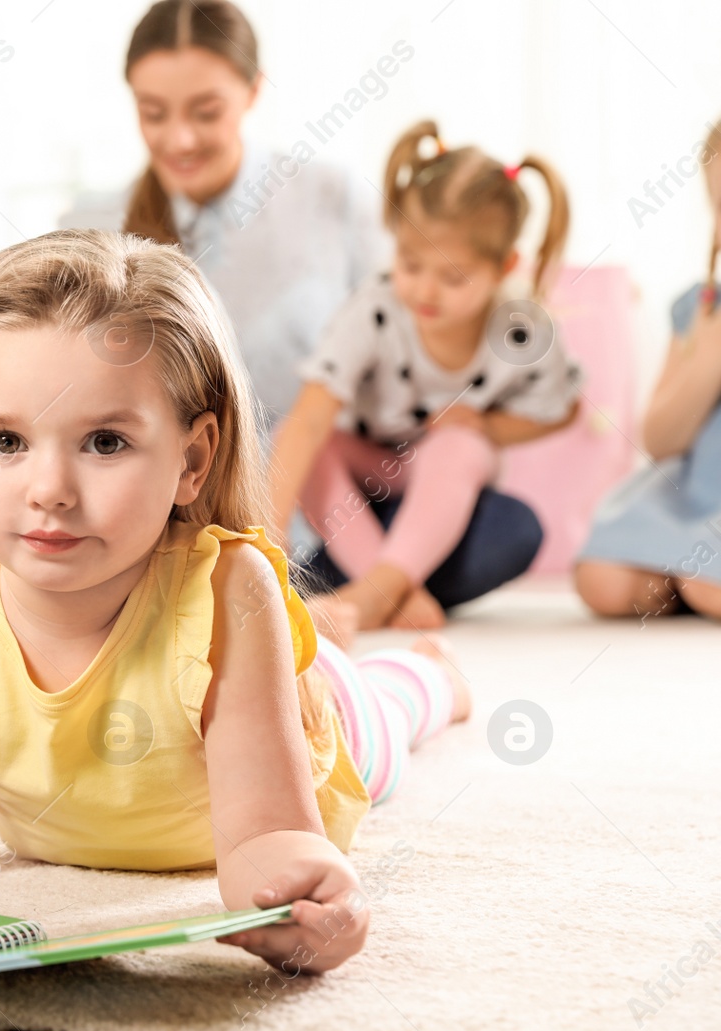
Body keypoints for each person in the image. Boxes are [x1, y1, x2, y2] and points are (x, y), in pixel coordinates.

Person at [0, 231, 470, 976]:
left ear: (193, 461)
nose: (50, 491)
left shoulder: (230, 591)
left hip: (314, 721)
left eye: (104, 442)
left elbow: (265, 833)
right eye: (4, 441)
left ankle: (432, 675)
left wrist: (300, 896)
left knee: (383, 710)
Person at [62, 0, 545, 609]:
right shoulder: (94, 228)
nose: (179, 138)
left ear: (253, 91)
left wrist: (470, 418)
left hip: (338, 499)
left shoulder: (330, 193)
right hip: (174, 506)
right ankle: (338, 592)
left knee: (511, 528)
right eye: (153, 113)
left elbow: (413, 332)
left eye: (206, 111)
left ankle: (352, 588)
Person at [268, 120, 579, 631]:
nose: (426, 291)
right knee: (308, 446)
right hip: (368, 491)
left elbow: (562, 408)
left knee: (469, 459)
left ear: (505, 268)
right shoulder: (375, 309)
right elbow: (307, 422)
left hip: (444, 492)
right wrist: (268, 541)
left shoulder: (522, 327)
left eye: (452, 277)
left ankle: (376, 593)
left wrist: (489, 427)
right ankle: (390, 594)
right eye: (411, 264)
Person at [575, 120, 721, 622]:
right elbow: (659, 439)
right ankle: (683, 574)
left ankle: (693, 580)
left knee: (708, 586)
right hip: (700, 498)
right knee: (603, 582)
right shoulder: (700, 311)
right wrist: (706, 364)